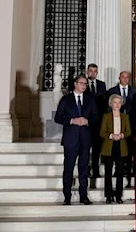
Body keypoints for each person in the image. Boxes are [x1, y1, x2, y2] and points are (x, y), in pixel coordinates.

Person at [54, 75, 99, 205]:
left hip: (85, 138)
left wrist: (88, 121)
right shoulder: (66, 99)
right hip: (70, 139)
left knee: (84, 168)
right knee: (68, 168)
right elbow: (58, 117)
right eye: (81, 83)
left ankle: (83, 195)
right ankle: (67, 196)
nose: (84, 86)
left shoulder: (90, 99)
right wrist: (71, 121)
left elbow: (96, 117)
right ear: (75, 84)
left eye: (85, 84)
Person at [107, 71, 136, 188]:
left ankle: (128, 168)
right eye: (123, 77)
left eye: (127, 77)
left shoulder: (134, 91)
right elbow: (108, 109)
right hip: (116, 123)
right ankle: (117, 169)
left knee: (129, 148)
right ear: (119, 78)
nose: (125, 79)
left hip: (130, 125)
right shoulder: (112, 91)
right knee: (117, 147)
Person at [100, 94, 132, 204]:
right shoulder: (106, 116)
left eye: (119, 102)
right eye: (115, 102)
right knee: (108, 172)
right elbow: (102, 132)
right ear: (110, 104)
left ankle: (118, 196)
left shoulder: (125, 117)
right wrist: (111, 136)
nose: (117, 104)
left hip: (121, 146)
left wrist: (122, 135)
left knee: (119, 172)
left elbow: (129, 131)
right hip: (109, 146)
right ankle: (109, 196)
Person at [86, 63, 107, 180]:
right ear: (87, 71)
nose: (92, 73)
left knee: (97, 148)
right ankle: (86, 169)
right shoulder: (83, 84)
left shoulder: (102, 85)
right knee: (85, 147)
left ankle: (95, 170)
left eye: (95, 71)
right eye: (90, 71)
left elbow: (104, 102)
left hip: (98, 122)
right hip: (86, 122)